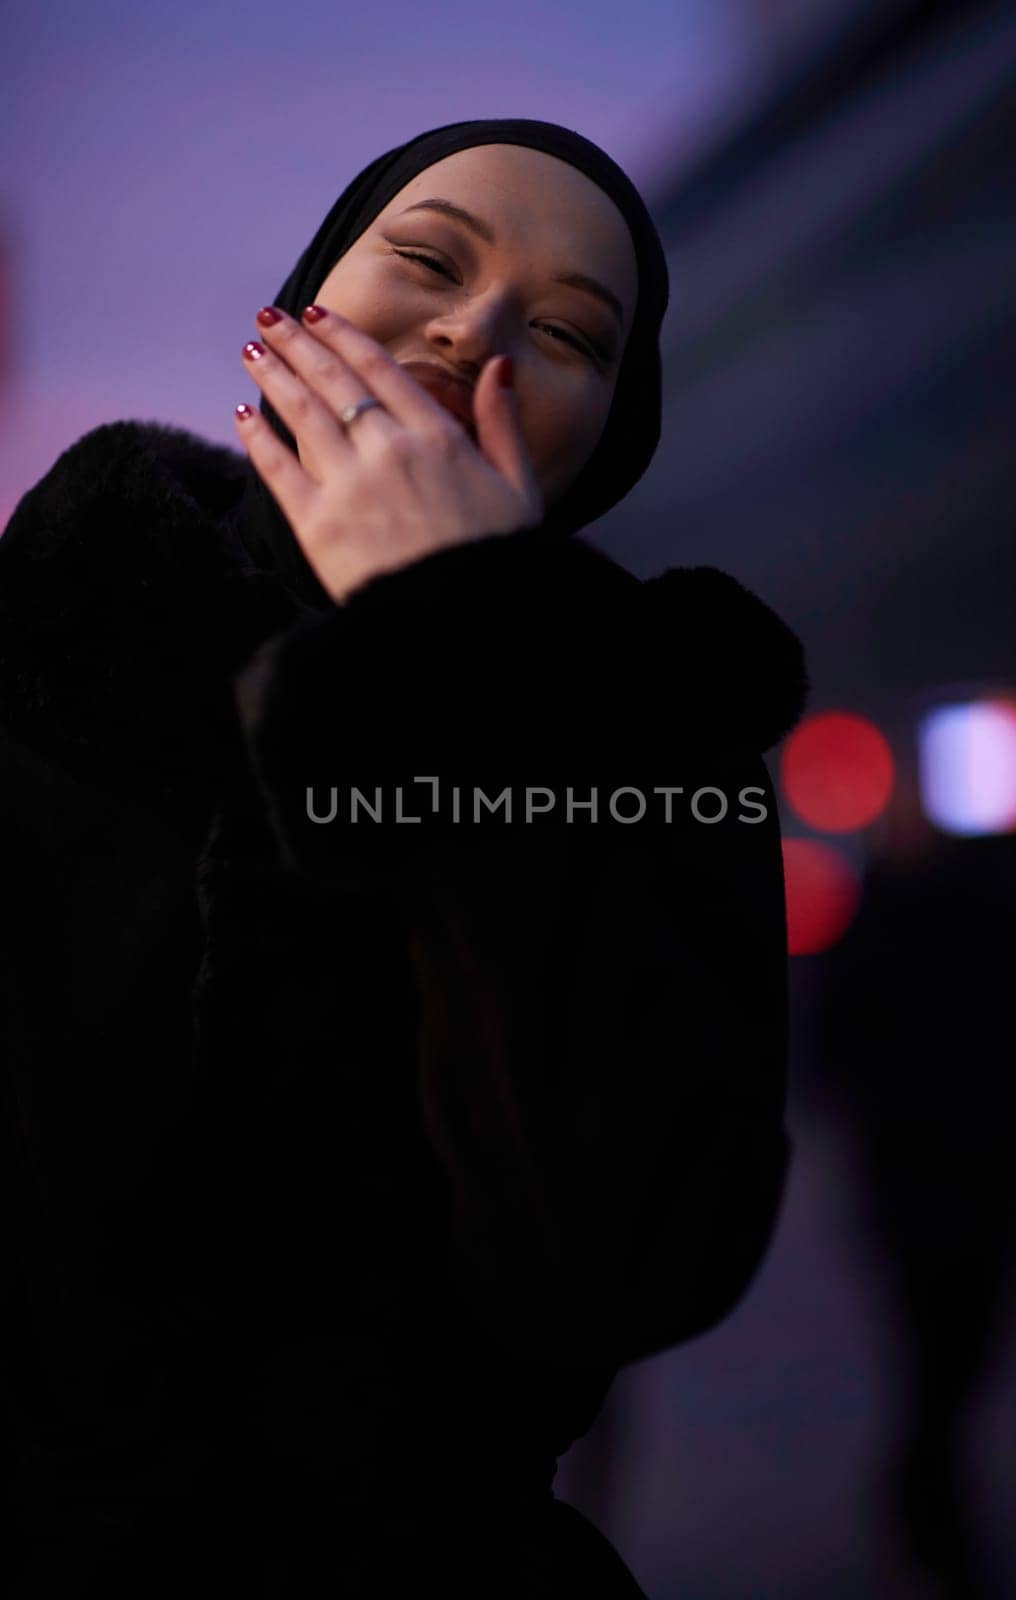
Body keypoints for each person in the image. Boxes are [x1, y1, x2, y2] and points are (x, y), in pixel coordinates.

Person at [0, 118, 809, 1597]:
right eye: (427, 259)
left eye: (567, 332)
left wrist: (461, 640)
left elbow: (627, 1255)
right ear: (301, 307)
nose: (474, 325)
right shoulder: (53, 636)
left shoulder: (660, 736)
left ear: (602, 436)